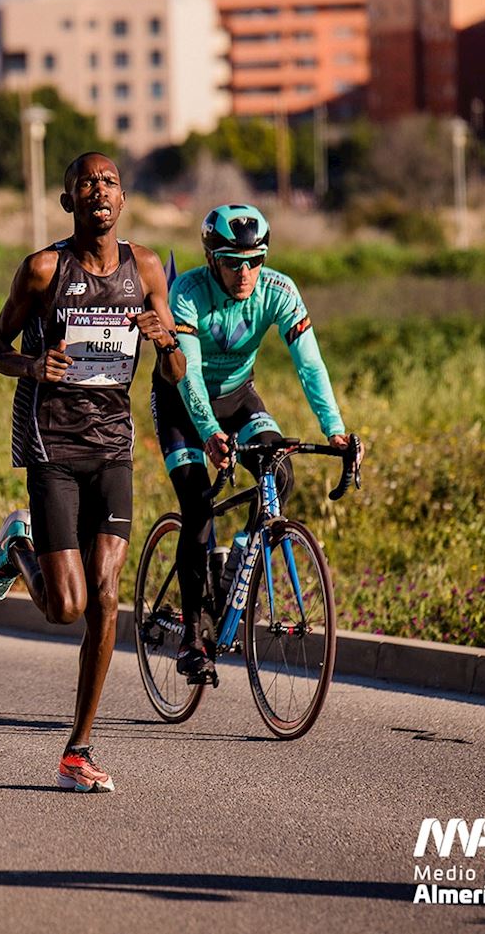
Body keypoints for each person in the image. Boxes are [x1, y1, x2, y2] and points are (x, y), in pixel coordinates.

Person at [0, 153, 185, 793]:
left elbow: (176, 374)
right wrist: (34, 367)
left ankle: (79, 747)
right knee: (65, 606)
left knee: (105, 594)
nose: (98, 190)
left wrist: (166, 340)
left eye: (109, 182)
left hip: (114, 446)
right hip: (53, 444)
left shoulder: (145, 267)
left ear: (123, 198)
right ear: (69, 202)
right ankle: (20, 546)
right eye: (85, 184)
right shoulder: (44, 269)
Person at [151, 203, 360, 680]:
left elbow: (310, 365)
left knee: (279, 469)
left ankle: (242, 553)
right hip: (184, 404)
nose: (244, 272)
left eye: (255, 260)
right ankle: (192, 640)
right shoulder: (187, 292)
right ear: (211, 259)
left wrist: (335, 429)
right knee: (198, 510)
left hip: (240, 396)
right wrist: (209, 436)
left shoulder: (280, 290)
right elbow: (191, 375)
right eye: (231, 261)